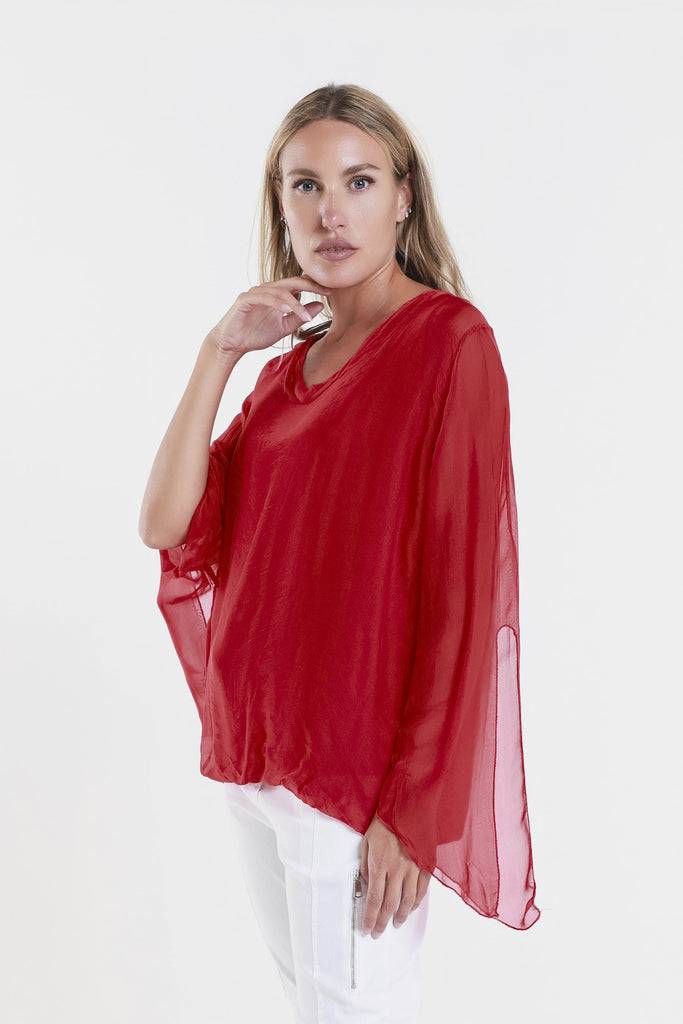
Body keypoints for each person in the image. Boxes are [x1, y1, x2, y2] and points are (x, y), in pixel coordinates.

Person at [139, 82, 539, 1023]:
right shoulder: (280, 376)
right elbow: (165, 523)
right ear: (279, 205)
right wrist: (219, 351)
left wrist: (415, 804)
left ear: (402, 197)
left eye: (358, 181)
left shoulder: (448, 343)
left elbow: (462, 593)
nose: (330, 211)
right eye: (305, 185)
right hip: (260, 756)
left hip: (354, 773)